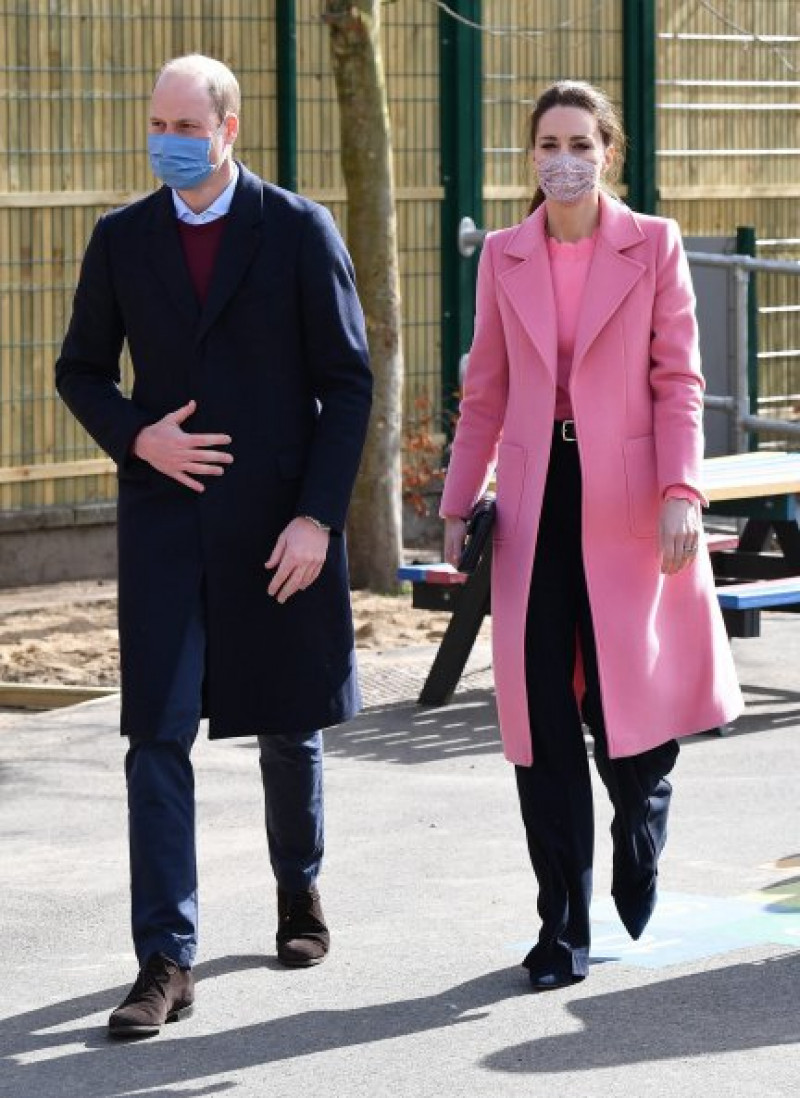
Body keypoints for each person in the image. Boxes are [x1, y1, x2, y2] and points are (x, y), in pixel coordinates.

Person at [56, 54, 372, 1037]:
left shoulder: (295, 228)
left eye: (186, 124)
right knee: (155, 734)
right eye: (157, 121)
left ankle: (298, 893)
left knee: (288, 721)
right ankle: (164, 958)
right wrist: (137, 434)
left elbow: (348, 382)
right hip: (163, 524)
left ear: (228, 130)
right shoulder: (121, 239)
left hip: (277, 521)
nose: (168, 139)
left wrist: (316, 517)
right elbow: (80, 371)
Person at [441, 80, 743, 990]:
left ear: (607, 150)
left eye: (579, 141)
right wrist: (458, 504)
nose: (562, 157)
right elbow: (486, 391)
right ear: (529, 158)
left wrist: (682, 489)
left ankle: (641, 820)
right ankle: (559, 926)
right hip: (536, 505)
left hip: (629, 499)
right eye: (546, 144)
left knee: (624, 708)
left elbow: (678, 378)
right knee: (539, 717)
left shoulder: (653, 244)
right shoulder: (504, 254)